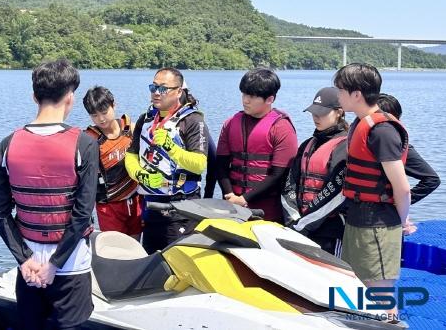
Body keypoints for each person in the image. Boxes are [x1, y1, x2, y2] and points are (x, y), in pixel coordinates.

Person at [0, 59, 98, 330]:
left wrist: (24, 258)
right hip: (71, 265)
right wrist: (55, 264)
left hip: (28, 267)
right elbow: (82, 212)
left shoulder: (8, 144)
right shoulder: (84, 144)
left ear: (34, 96)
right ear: (70, 98)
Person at [334, 63, 411, 325]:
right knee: (357, 290)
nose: (338, 96)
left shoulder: (382, 131)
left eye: (341, 90)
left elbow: (402, 187)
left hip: (378, 222)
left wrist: (400, 223)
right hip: (358, 217)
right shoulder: (360, 124)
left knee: (380, 296)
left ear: (357, 94)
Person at [125, 68, 209, 254]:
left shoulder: (193, 120)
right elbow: (131, 156)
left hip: (181, 208)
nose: (156, 92)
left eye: (163, 88)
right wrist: (141, 174)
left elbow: (200, 163)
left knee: (178, 264)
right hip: (152, 205)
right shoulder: (145, 119)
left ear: (179, 91)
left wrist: (172, 147)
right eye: (153, 87)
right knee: (152, 263)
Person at [216, 68, 298, 223]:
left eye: (252, 96)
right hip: (232, 207)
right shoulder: (230, 124)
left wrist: (245, 199)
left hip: (268, 212)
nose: (245, 100)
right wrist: (231, 196)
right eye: (244, 94)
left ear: (270, 99)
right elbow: (220, 166)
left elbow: (278, 174)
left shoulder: (281, 128)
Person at [281, 87, 348, 256]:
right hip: (299, 226)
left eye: (322, 113)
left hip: (329, 230)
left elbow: (336, 193)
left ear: (339, 112)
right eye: (313, 112)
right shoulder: (307, 145)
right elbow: (290, 184)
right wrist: (294, 220)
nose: (316, 117)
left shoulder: (345, 146)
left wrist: (304, 224)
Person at [83, 86, 142, 239]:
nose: (101, 119)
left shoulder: (131, 129)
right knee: (115, 250)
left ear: (114, 105)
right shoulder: (90, 139)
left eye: (104, 112)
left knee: (135, 246)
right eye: (95, 115)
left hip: (135, 198)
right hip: (109, 206)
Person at [377, 93, 440, 209]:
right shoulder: (360, 141)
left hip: (384, 214)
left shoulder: (400, 147)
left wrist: (401, 202)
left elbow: (432, 180)